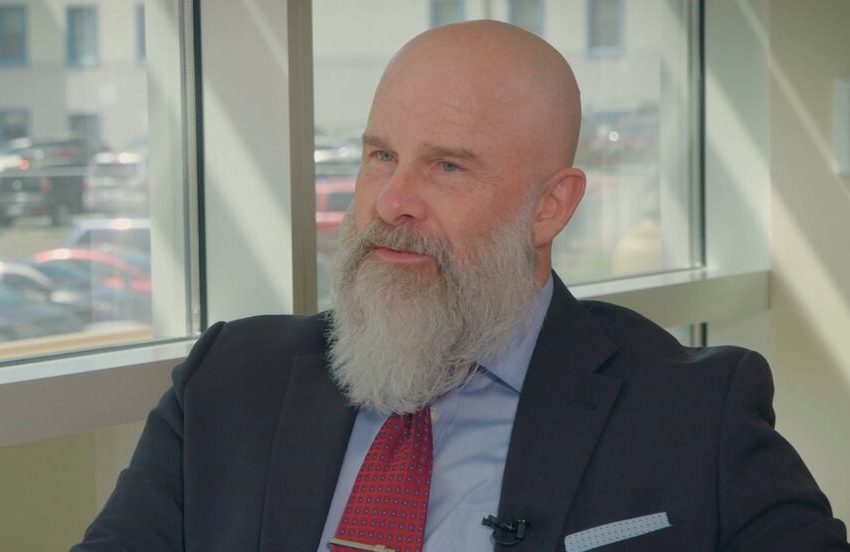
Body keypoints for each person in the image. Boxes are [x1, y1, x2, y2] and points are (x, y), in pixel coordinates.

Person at [73, 21, 849, 552]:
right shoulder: (227, 380)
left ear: (550, 207)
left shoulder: (694, 411)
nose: (391, 201)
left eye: (447, 166)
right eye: (380, 156)